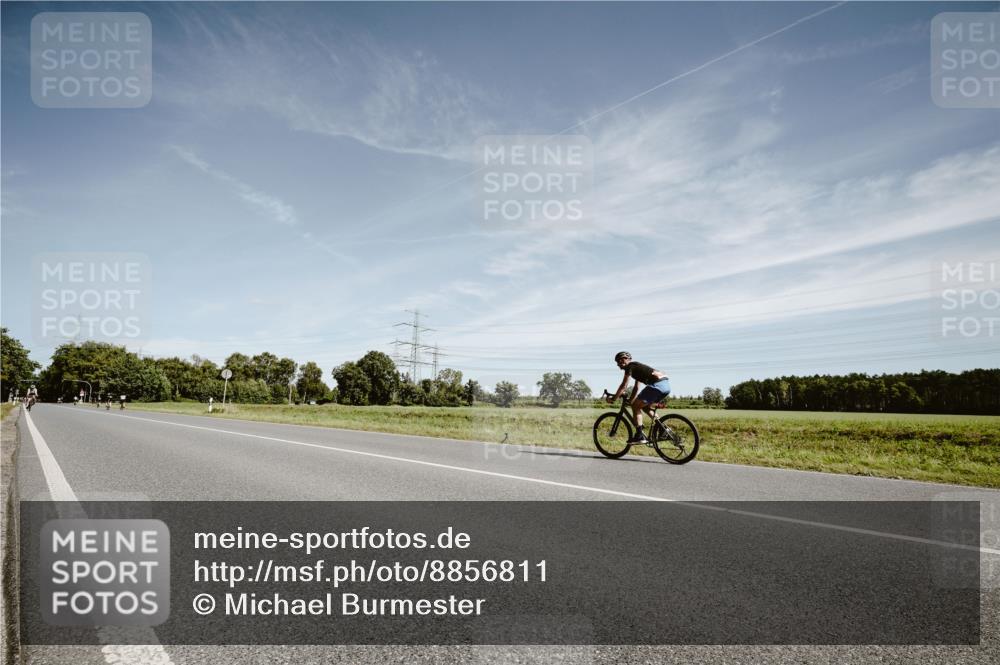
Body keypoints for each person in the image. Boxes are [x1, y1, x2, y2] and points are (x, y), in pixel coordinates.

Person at [606, 351, 670, 443]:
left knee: (635, 406)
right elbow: (636, 388)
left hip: (657, 385)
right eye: (617, 362)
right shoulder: (637, 368)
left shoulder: (630, 366)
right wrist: (631, 400)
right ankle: (663, 429)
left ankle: (639, 436)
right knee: (645, 407)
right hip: (665, 386)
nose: (618, 364)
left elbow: (624, 385)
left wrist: (613, 399)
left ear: (626, 359)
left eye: (620, 361)